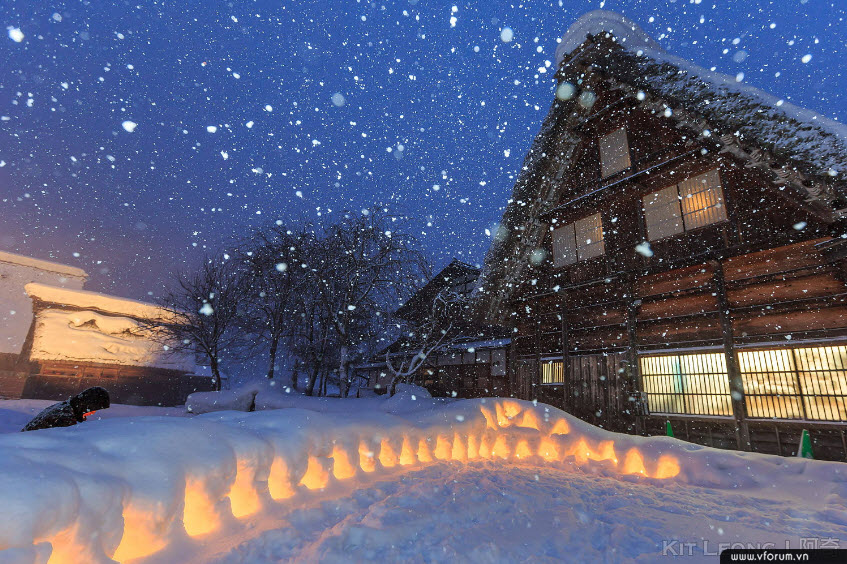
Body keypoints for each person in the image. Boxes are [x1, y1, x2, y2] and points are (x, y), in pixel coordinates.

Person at [21, 387, 111, 432]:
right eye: (93, 409)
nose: (92, 413)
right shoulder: (64, 418)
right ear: (86, 405)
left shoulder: (64, 408)